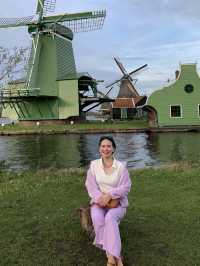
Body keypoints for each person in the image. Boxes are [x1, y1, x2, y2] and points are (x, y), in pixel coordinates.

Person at [85, 136, 132, 266]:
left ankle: (113, 258)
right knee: (98, 218)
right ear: (99, 149)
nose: (106, 149)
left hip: (117, 203)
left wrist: (110, 195)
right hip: (99, 202)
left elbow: (126, 187)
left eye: (109, 146)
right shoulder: (93, 166)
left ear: (113, 149)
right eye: (103, 146)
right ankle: (113, 256)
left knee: (110, 219)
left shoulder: (121, 167)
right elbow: (90, 186)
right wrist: (101, 198)